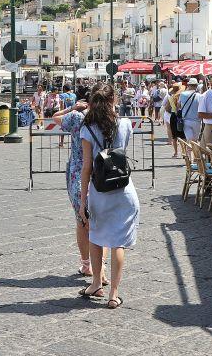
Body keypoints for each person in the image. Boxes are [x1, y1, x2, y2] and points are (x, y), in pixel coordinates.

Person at [78, 84, 140, 310]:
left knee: (95, 236)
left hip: (99, 190)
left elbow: (86, 168)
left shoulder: (87, 128)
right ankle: (114, 294)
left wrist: (83, 200)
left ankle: (96, 282)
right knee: (118, 243)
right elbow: (121, 150)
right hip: (124, 189)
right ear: (114, 99)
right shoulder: (125, 124)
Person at [50, 96, 98, 276]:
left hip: (78, 172)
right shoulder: (107, 117)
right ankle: (100, 267)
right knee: (99, 223)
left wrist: (72, 107)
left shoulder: (77, 117)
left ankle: (87, 265)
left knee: (82, 220)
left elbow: (55, 117)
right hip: (102, 173)